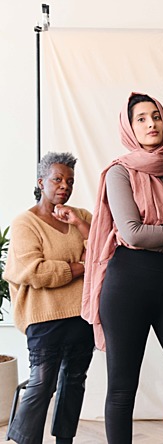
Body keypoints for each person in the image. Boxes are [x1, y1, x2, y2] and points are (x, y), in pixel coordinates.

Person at [81, 93, 163, 444]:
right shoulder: (118, 173)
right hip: (127, 289)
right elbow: (133, 234)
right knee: (122, 390)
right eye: (140, 118)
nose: (151, 123)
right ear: (129, 127)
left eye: (155, 116)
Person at [4, 152, 94, 444]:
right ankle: (23, 440)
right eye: (57, 179)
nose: (64, 186)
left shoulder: (81, 216)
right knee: (42, 384)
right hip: (43, 317)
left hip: (81, 314)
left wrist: (81, 230)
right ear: (41, 182)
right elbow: (36, 272)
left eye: (69, 181)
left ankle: (64, 440)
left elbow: (104, 250)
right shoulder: (25, 223)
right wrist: (80, 265)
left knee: (74, 381)